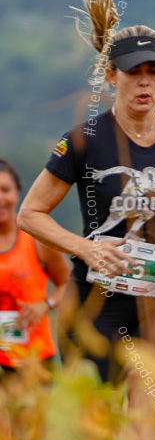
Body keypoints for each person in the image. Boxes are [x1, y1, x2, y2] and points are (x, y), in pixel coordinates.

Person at [18, 0, 155, 407]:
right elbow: (31, 214)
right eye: (133, 72)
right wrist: (85, 249)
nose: (143, 82)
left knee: (150, 426)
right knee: (94, 431)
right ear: (111, 75)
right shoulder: (85, 139)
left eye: (152, 72)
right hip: (95, 304)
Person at [0, 159, 71, 381]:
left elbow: (68, 283)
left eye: (5, 190)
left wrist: (45, 305)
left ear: (18, 194)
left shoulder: (36, 240)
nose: (0, 198)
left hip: (36, 359)